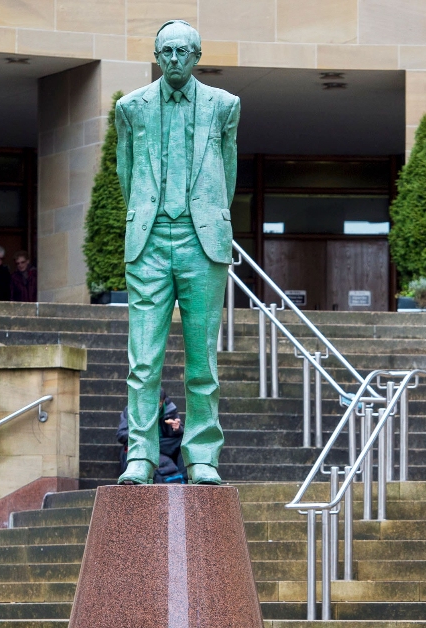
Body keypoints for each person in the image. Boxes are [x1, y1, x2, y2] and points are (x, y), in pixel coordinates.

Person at [114, 19, 240, 486]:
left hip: (200, 241)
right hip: (148, 241)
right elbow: (127, 174)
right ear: (156, 54)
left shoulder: (224, 106)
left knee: (202, 359)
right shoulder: (131, 108)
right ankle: (141, 457)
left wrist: (203, 218)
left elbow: (226, 174)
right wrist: (149, 217)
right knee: (142, 360)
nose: (173, 59)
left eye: (182, 51)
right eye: (165, 51)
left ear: (197, 55)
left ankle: (202, 455)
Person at [116, 389, 186, 484]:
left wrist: (177, 428)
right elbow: (121, 434)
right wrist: (139, 434)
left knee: (184, 441)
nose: (155, 405)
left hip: (162, 444)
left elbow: (178, 430)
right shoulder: (132, 409)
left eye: (159, 402)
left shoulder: (170, 409)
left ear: (163, 401)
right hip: (142, 444)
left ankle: (186, 478)